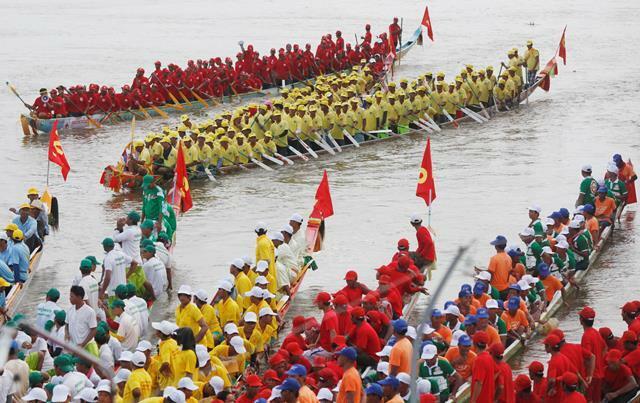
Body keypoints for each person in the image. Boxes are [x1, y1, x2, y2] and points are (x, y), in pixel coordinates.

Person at [66, 285, 97, 350]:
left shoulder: (90, 311)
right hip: (73, 346)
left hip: (86, 346)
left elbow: (94, 330)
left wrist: (83, 344)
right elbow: (66, 324)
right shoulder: (70, 310)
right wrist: (67, 334)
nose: (69, 298)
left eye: (72, 296)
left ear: (79, 297)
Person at [470, 331, 495, 403]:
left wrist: (473, 401)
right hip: (488, 398)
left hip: (481, 399)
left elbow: (479, 383)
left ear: (475, 344)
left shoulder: (479, 360)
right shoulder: (489, 357)